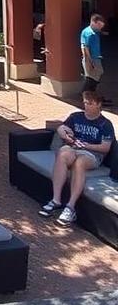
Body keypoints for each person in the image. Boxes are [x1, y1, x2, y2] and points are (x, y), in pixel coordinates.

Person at [39, 88, 115, 226]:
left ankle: (70, 207)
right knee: (62, 152)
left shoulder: (105, 124)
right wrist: (64, 133)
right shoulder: (76, 116)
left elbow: (105, 148)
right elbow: (61, 128)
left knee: (79, 163)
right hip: (74, 148)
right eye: (85, 102)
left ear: (98, 104)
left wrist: (85, 146)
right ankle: (56, 200)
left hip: (93, 154)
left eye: (90, 103)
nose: (86, 106)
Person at [81, 14, 106, 93]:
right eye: (99, 25)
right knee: (91, 78)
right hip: (92, 59)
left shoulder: (91, 31)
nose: (100, 27)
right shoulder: (90, 34)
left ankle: (91, 95)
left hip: (96, 58)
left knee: (96, 75)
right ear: (93, 22)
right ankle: (87, 95)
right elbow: (85, 48)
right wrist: (89, 61)